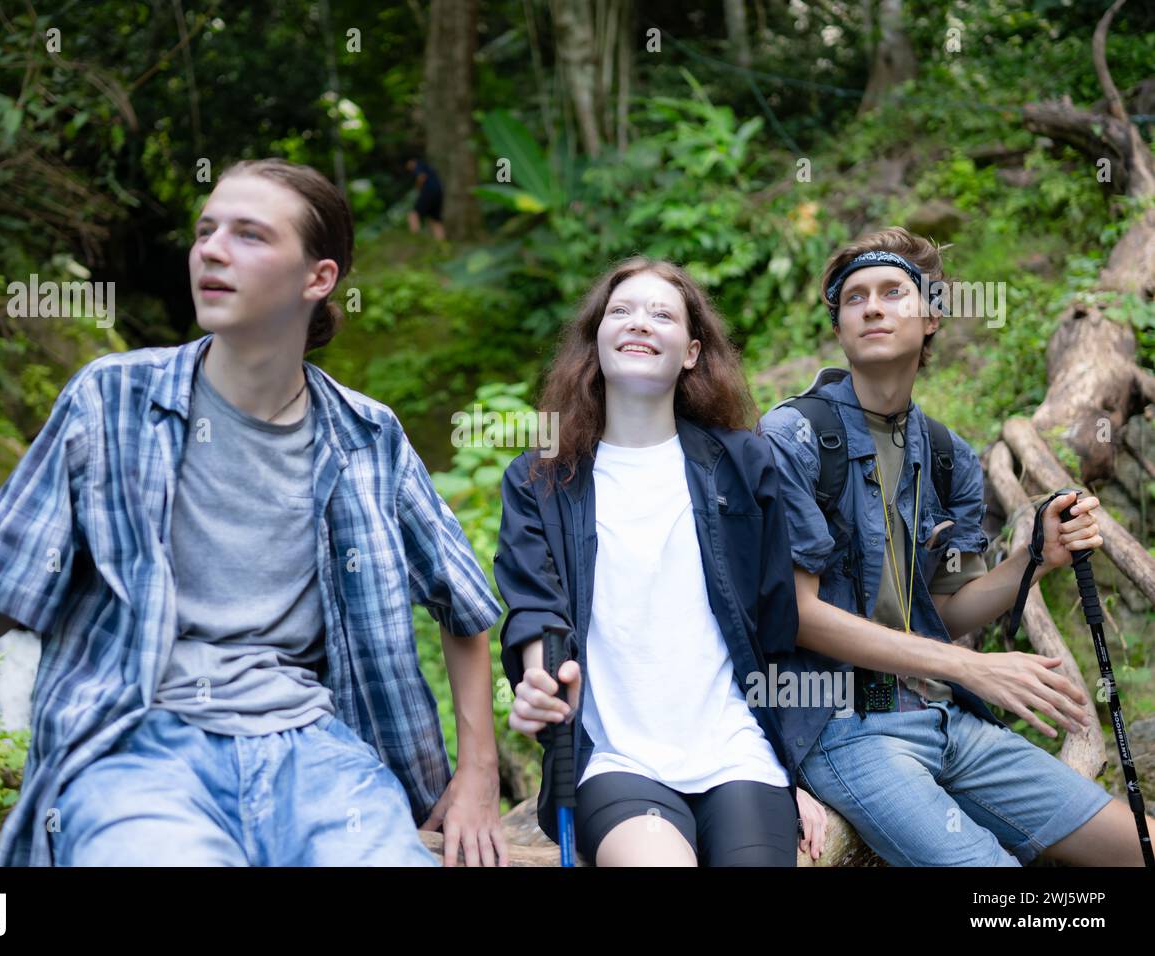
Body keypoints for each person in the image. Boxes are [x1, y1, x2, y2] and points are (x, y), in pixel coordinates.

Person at [0, 160, 508, 867]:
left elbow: (462, 601)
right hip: (139, 750)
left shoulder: (366, 436)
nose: (212, 250)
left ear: (318, 278)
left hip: (316, 757)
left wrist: (477, 774)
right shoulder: (111, 401)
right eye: (206, 231)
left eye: (250, 235)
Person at [758, 226, 1154, 866]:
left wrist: (1035, 558)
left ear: (932, 318)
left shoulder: (946, 456)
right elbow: (798, 615)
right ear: (838, 327)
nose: (874, 307)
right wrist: (970, 667)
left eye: (893, 291)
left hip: (947, 721)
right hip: (845, 725)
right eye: (855, 298)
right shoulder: (793, 436)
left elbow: (951, 606)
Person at [494, 256, 829, 867]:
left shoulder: (743, 464)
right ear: (596, 344)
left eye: (661, 314)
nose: (639, 322)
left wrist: (798, 772)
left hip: (738, 751)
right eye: (619, 311)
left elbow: (780, 624)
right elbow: (534, 610)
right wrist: (540, 679)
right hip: (615, 758)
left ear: (693, 352)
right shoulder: (541, 479)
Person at [406, 157, 445, 241]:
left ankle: (416, 240)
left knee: (413, 215)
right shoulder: (427, 166)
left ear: (411, 162)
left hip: (428, 191)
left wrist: (418, 188)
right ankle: (441, 244)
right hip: (439, 192)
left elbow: (421, 177)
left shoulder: (418, 165)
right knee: (435, 219)